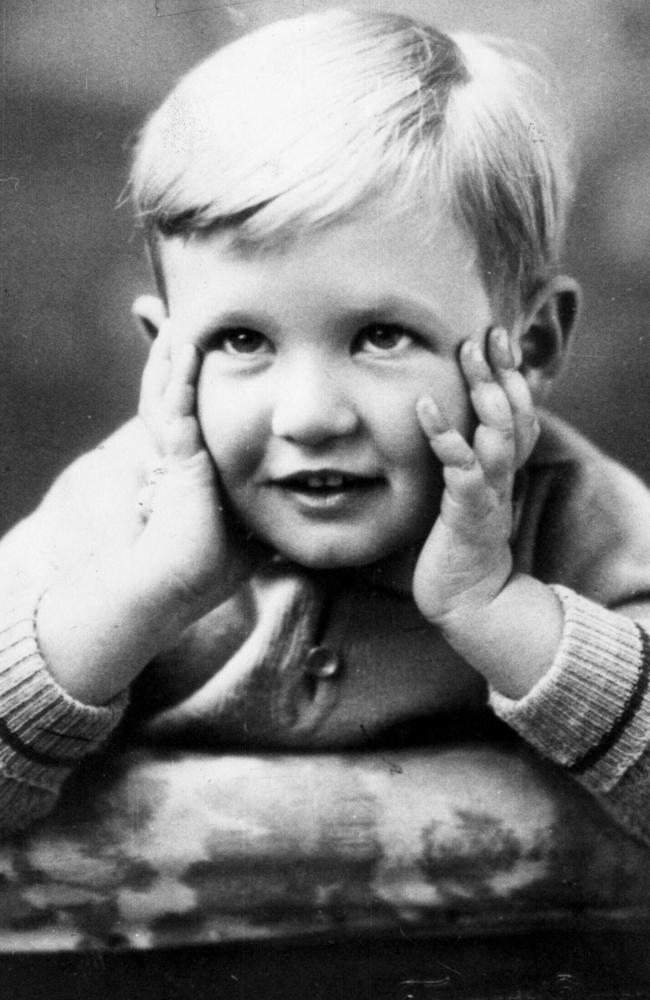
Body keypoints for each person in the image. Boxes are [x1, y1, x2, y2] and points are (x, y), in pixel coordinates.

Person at [2, 8, 650, 840]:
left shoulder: (579, 517)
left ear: (529, 345)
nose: (308, 415)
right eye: (242, 340)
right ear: (163, 359)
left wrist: (493, 607)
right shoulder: (120, 511)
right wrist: (148, 594)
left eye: (382, 337)